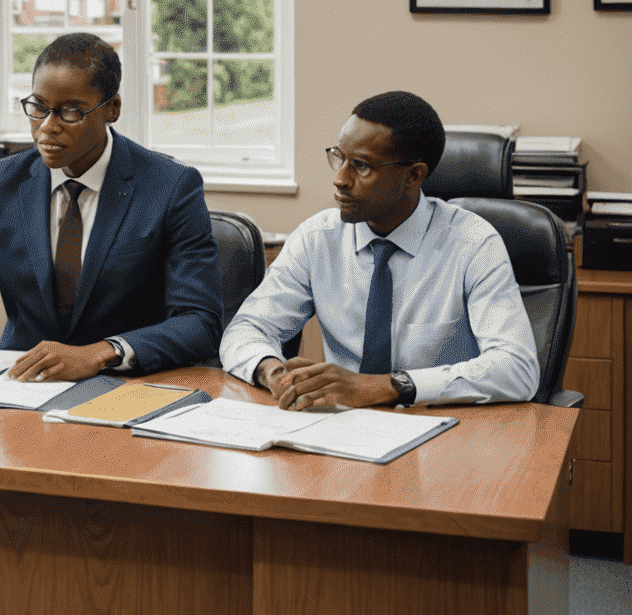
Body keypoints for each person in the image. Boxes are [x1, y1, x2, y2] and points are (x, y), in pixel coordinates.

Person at [0, 33, 222, 380]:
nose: (47, 128)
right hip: (20, 388)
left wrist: (100, 353)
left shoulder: (170, 187)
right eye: (38, 107)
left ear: (113, 108)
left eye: (70, 112)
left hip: (126, 387)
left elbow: (199, 322)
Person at [219, 91, 539, 409]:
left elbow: (516, 368)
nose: (339, 179)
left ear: (413, 175)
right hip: (343, 427)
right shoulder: (318, 238)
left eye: (360, 166)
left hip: (441, 427)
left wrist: (387, 386)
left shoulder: (474, 244)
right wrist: (273, 371)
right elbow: (247, 329)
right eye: (339, 157)